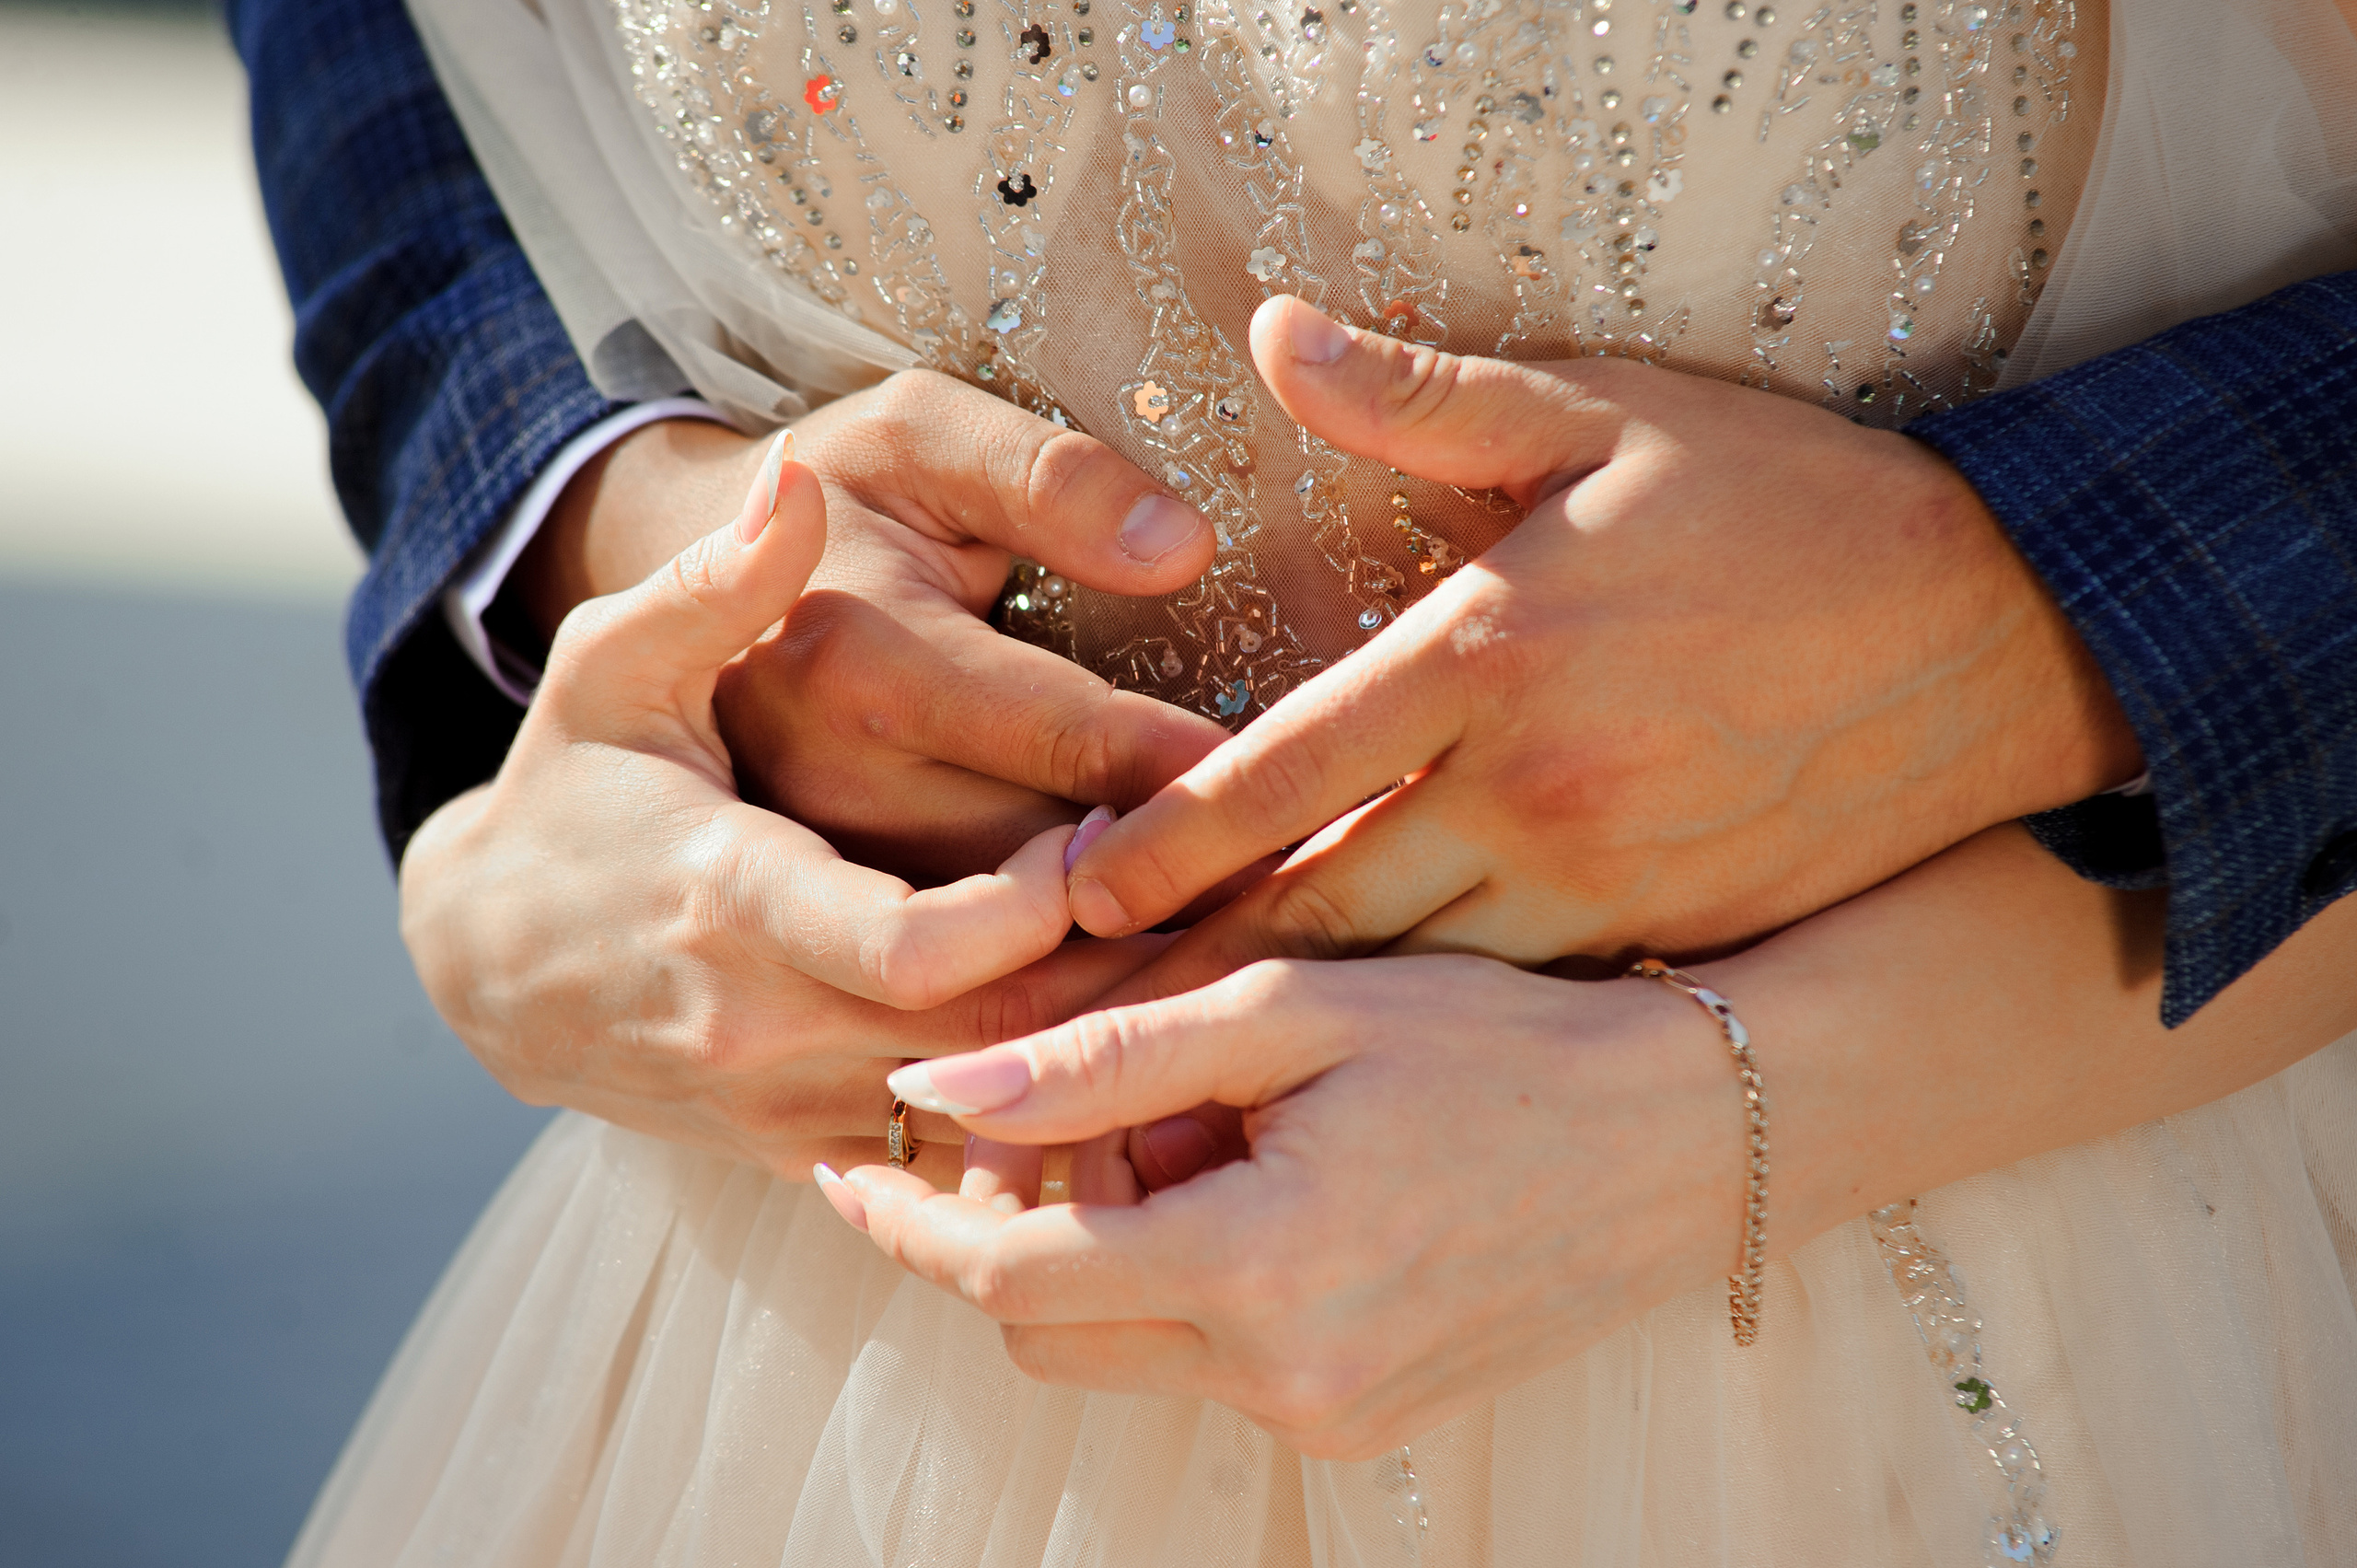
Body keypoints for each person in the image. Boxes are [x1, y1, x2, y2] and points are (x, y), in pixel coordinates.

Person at [226, 0, 2357, 1559]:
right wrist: (646, 532)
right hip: (837, 1378)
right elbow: (397, 85)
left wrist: (2008, 618)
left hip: (2045, 1289)